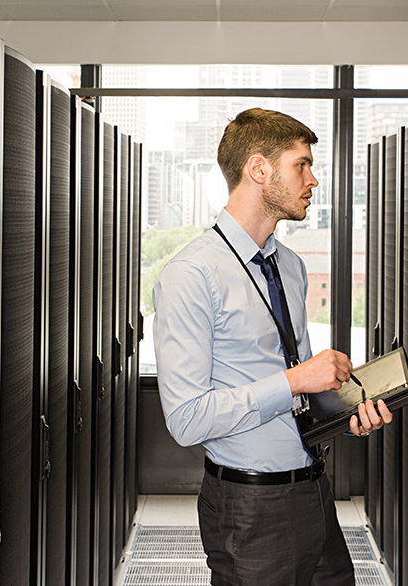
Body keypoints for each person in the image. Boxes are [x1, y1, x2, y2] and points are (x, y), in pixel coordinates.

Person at [153, 107, 392, 586]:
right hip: (250, 508)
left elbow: (297, 389)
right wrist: (295, 380)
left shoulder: (290, 266)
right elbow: (186, 418)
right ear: (258, 169)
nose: (313, 179)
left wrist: (344, 413)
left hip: (313, 491)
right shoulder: (191, 274)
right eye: (301, 165)